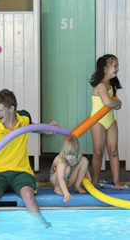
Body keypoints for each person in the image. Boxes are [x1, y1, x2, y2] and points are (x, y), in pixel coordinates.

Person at [0, 89, 59, 228]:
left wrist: (47, 129)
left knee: (28, 196)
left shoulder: (24, 117)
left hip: (21, 171)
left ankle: (43, 226)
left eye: (0, 110)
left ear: (12, 108)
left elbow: (31, 127)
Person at [89, 54, 122, 189]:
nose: (117, 69)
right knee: (98, 153)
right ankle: (95, 181)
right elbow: (109, 102)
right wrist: (117, 102)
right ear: (105, 69)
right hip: (98, 122)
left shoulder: (110, 84)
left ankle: (117, 182)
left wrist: (116, 103)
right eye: (114, 66)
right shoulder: (101, 86)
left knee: (113, 151)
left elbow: (116, 105)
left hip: (110, 120)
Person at [50, 138, 91, 203]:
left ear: (77, 152)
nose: (71, 157)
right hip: (56, 180)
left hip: (68, 180)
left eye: (73, 154)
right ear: (64, 151)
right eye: (68, 154)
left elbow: (81, 161)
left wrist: (86, 171)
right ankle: (57, 189)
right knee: (67, 168)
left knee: (85, 160)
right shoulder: (60, 159)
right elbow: (60, 177)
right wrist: (66, 193)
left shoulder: (78, 156)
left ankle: (77, 186)